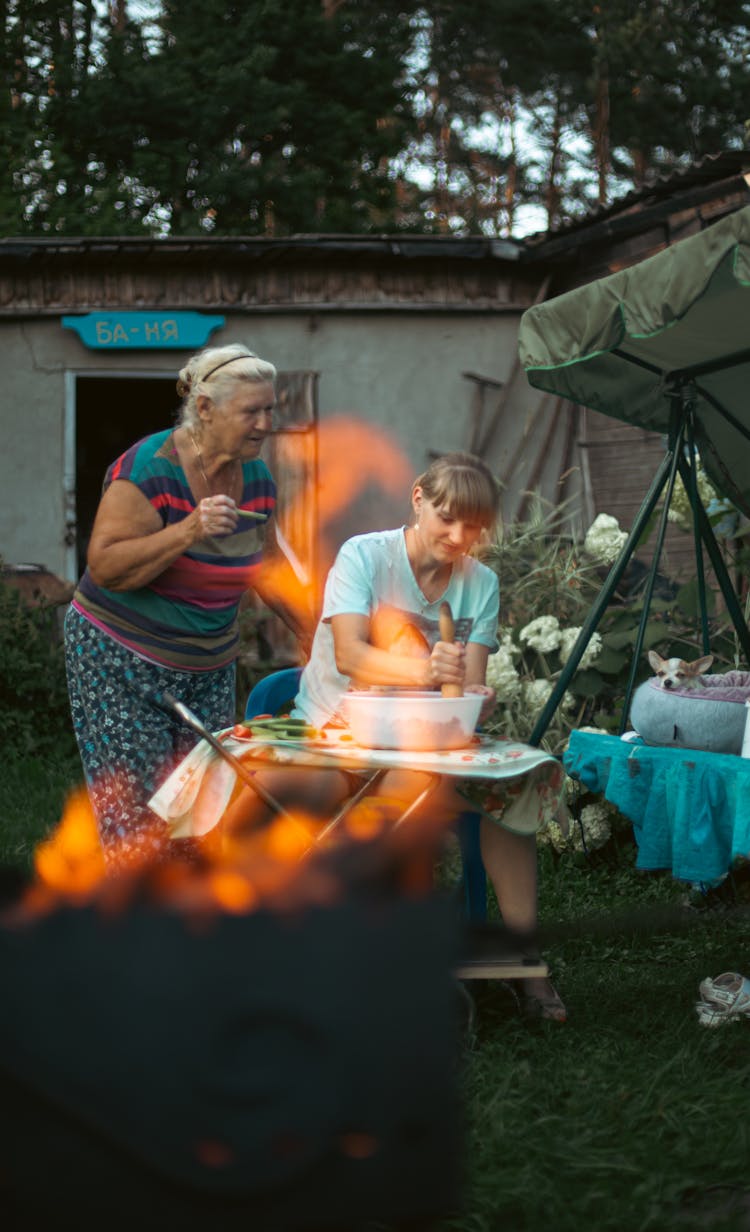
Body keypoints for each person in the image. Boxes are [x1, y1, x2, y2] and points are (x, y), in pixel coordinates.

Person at [220, 450, 565, 1020]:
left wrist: (476, 697)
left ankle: (525, 966)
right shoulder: (365, 557)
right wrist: (427, 670)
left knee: (513, 793)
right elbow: (352, 656)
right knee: (308, 804)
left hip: (424, 742)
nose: (458, 536)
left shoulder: (479, 583)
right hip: (336, 735)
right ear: (418, 500)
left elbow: (467, 687)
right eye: (447, 518)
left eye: (473, 527)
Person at [63, 343, 314, 865]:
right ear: (205, 408)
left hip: (207, 664)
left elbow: (267, 562)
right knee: (141, 813)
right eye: (252, 411)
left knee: (202, 809)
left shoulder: (257, 479)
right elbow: (106, 565)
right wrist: (189, 529)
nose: (266, 424)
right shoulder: (149, 469)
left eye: (270, 409)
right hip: (120, 660)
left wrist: (317, 632)